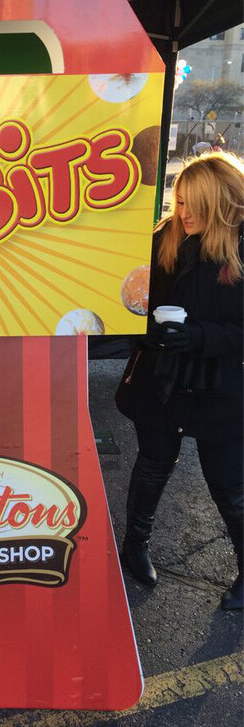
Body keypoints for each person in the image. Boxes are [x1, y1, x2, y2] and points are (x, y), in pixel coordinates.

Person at [115, 151, 243, 611]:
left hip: (221, 386)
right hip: (160, 381)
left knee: (230, 486)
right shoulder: (164, 237)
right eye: (180, 201)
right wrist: (146, 331)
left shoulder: (240, 247)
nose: (183, 213)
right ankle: (134, 547)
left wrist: (200, 336)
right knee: (152, 466)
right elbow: (129, 302)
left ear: (222, 203)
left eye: (195, 205)